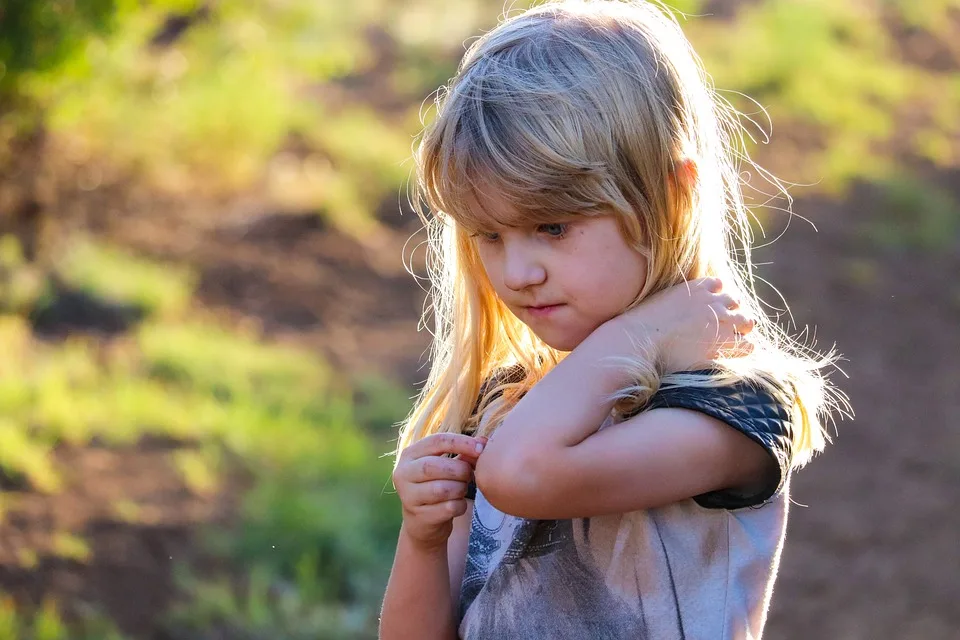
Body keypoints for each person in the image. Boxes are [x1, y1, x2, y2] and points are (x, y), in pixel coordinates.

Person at [380, 1, 848, 638]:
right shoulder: (506, 404)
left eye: (553, 226)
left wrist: (641, 334)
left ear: (672, 194)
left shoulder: (727, 411)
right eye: (489, 233)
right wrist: (423, 541)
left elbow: (521, 475)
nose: (518, 271)